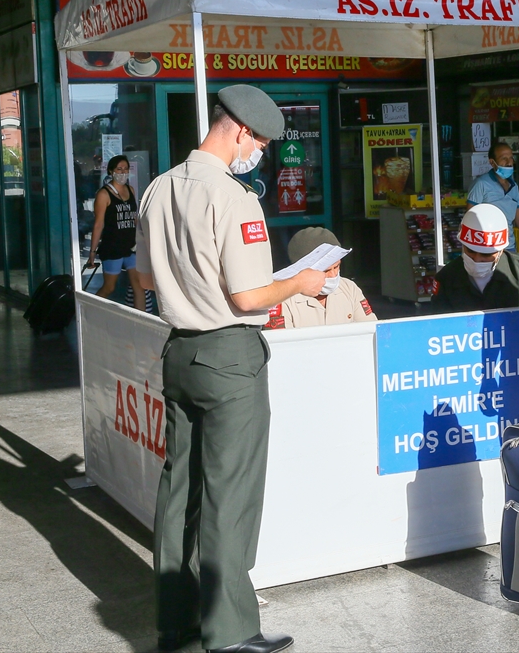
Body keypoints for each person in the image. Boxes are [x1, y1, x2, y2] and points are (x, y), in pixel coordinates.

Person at [135, 85, 324, 653]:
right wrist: (300, 282)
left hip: (180, 351)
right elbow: (248, 297)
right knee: (229, 495)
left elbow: (144, 279)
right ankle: (232, 631)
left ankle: (178, 622)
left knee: (180, 490)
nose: (261, 151)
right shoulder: (236, 198)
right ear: (239, 129)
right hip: (229, 357)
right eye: (261, 141)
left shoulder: (158, 187)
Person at [433, 203, 519, 312]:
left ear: (500, 250)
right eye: (471, 251)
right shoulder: (446, 278)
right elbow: (438, 328)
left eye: (486, 254)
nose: (477, 259)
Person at [269, 227, 377, 328]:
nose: (333, 275)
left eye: (337, 266)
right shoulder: (282, 298)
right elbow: (281, 344)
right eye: (325, 270)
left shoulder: (349, 288)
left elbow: (371, 329)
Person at [466, 142, 519, 264]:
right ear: (492, 162)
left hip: (509, 247)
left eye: (511, 158)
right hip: (487, 250)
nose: (509, 162)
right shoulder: (481, 184)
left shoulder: (513, 187)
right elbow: (470, 218)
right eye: (503, 159)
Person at [86, 155, 146, 312]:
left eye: (126, 169)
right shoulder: (103, 194)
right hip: (112, 247)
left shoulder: (130, 190)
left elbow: (134, 218)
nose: (123, 172)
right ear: (111, 171)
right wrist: (92, 252)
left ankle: (141, 323)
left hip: (131, 246)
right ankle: (88, 312)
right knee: (109, 287)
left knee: (139, 285)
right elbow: (99, 224)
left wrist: (142, 239)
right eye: (119, 169)